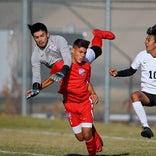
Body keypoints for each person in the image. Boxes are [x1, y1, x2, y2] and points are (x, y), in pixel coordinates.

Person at [35, 39, 103, 155]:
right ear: (73, 50)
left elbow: (86, 81)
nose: (82, 55)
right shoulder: (61, 65)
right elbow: (52, 79)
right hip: (70, 105)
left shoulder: (86, 65)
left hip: (84, 103)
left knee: (87, 135)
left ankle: (92, 145)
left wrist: (93, 93)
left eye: (84, 53)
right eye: (80, 52)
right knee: (80, 137)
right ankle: (93, 133)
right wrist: (37, 88)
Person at [26, 22, 115, 99]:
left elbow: (67, 58)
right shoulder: (35, 56)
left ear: (47, 34)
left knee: (98, 50)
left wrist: (63, 71)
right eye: (36, 37)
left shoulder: (58, 40)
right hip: (64, 71)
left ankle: (98, 35)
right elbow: (36, 75)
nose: (40, 39)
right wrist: (36, 88)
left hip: (77, 59)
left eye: (42, 36)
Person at [109, 24, 156, 139]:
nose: (145, 42)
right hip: (147, 95)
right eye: (146, 39)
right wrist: (117, 73)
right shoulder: (142, 55)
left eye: (148, 40)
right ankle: (146, 127)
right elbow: (131, 71)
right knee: (135, 95)